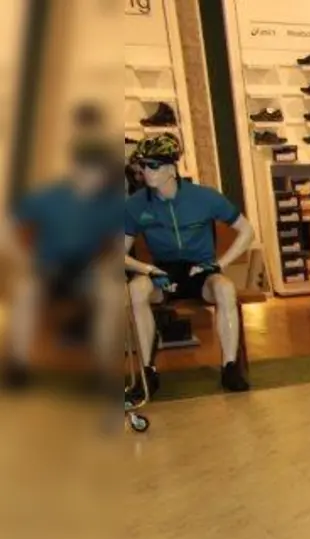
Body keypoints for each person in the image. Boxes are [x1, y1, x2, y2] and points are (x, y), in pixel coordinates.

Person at [123, 135, 255, 397]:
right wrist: (148, 270)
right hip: (163, 272)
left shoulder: (204, 197)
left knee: (225, 289)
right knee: (136, 289)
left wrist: (219, 264)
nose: (145, 171)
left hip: (200, 272)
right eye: (142, 165)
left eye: (153, 165)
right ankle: (148, 371)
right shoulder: (135, 204)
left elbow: (247, 231)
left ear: (172, 168)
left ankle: (229, 367)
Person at [2, 120, 124, 389]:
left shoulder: (111, 203)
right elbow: (8, 227)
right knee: (25, 293)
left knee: (110, 296)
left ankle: (102, 371)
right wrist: (24, 260)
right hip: (48, 268)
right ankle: (18, 365)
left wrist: (107, 264)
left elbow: (119, 240)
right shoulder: (50, 195)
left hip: (87, 271)